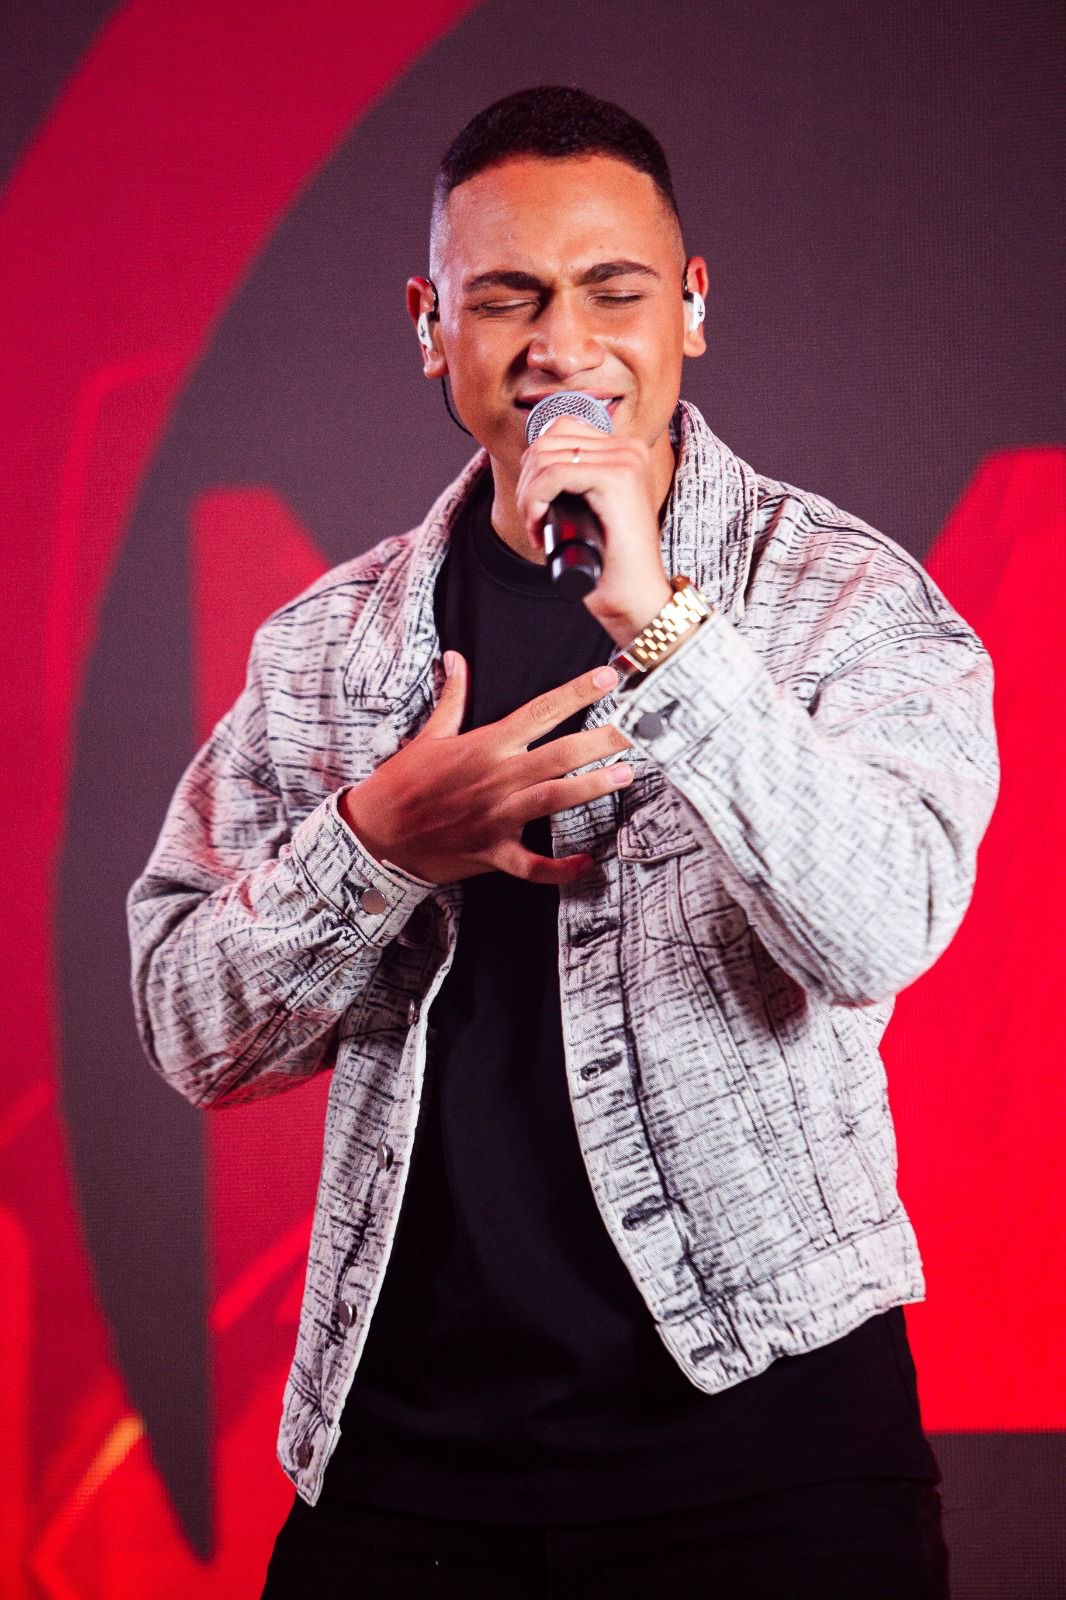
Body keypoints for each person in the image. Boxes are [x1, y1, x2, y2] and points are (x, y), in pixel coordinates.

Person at [127, 86, 999, 1598]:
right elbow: (190, 1030)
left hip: (770, 1463)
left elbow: (882, 926)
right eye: (506, 298)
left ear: (691, 308)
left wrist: (663, 630)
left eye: (614, 290)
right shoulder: (325, 646)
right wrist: (377, 842)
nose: (562, 346)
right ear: (432, 326)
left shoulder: (846, 599)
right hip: (406, 1471)